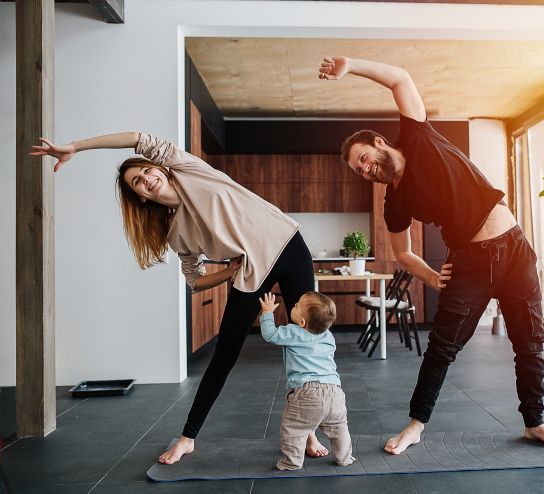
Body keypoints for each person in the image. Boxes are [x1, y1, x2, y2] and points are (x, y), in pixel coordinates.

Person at [318, 56, 544, 454]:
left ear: (379, 143)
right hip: (470, 261)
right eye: (358, 170)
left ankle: (534, 422)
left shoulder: (417, 136)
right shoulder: (394, 203)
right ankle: (416, 425)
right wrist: (433, 277)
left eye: (363, 159)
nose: (364, 170)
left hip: (516, 250)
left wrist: (350, 66)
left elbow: (400, 78)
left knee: (530, 343)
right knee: (442, 347)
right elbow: (403, 253)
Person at [30, 132, 330, 464]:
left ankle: (307, 429)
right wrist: (230, 273)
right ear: (141, 197)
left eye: (145, 171)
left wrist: (76, 147)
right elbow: (195, 280)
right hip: (250, 273)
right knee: (223, 357)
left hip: (288, 245)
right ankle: (188, 438)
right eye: (137, 184)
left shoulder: (186, 168)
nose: (146, 179)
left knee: (307, 341)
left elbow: (136, 136)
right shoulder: (175, 231)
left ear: (157, 167)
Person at [258, 291, 355, 470]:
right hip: (335, 391)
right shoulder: (329, 337)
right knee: (339, 428)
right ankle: (344, 457)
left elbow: (270, 334)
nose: (293, 305)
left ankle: (292, 462)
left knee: (293, 429)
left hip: (307, 392)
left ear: (302, 322)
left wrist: (267, 312)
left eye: (296, 306)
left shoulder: (294, 332)